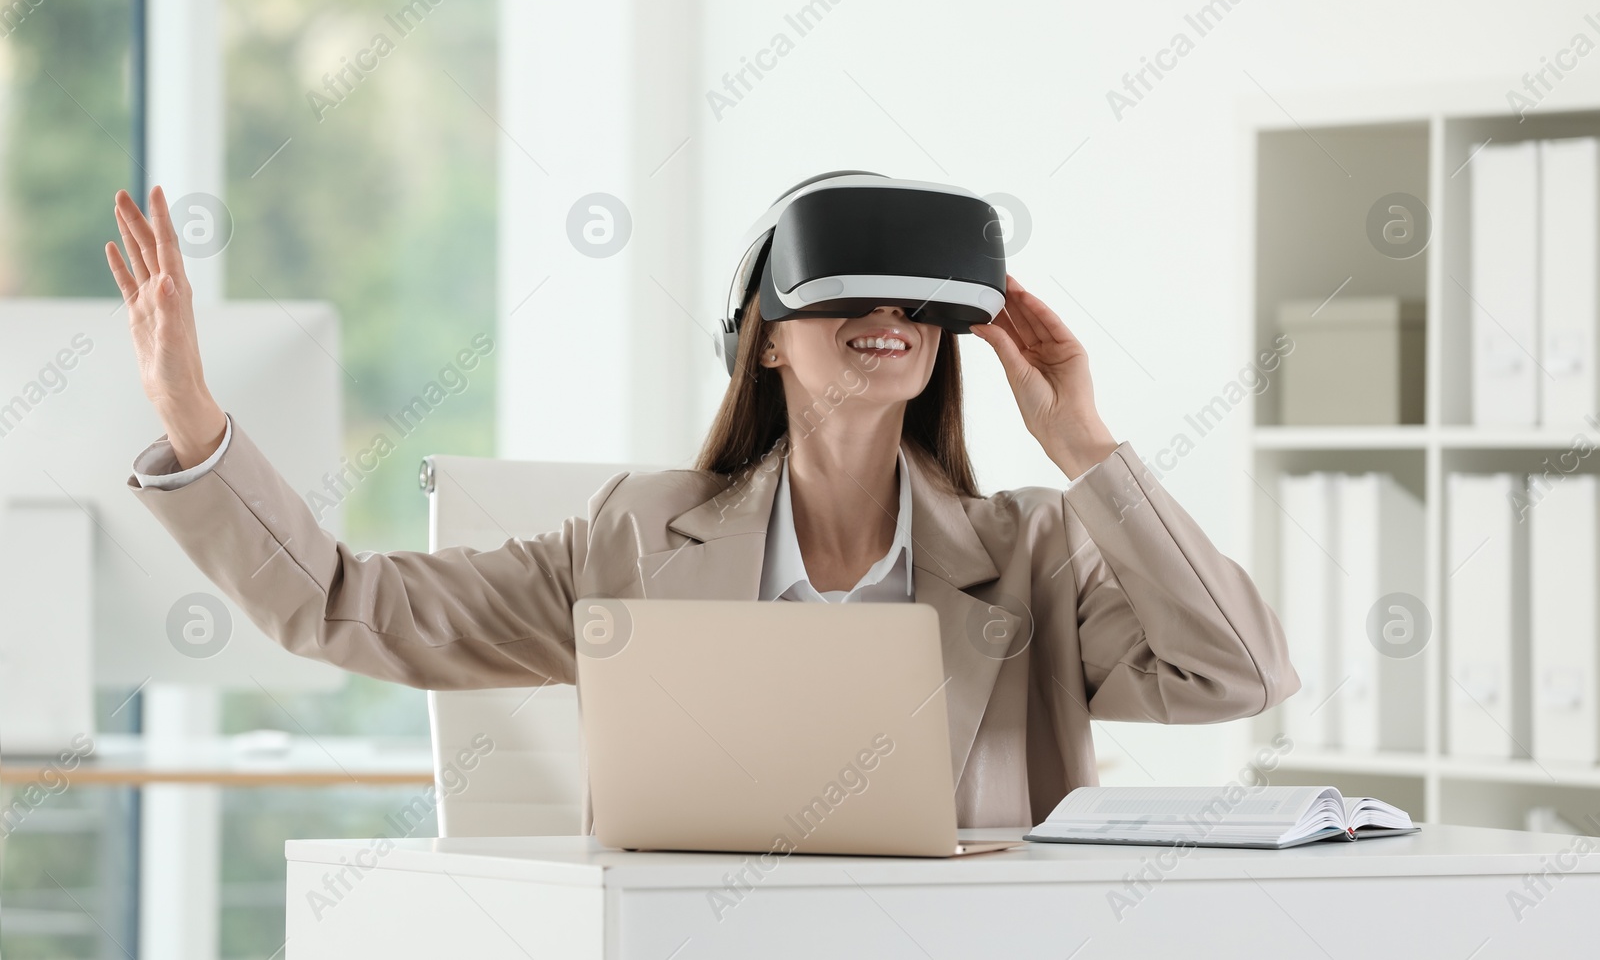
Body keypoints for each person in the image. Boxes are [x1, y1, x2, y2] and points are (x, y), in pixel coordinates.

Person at [105, 178, 1298, 830]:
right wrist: (196, 422)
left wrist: (1083, 444)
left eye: (919, 307)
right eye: (847, 292)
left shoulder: (1029, 553)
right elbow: (343, 606)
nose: (888, 317)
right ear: (765, 344)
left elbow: (1233, 674)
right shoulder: (633, 539)